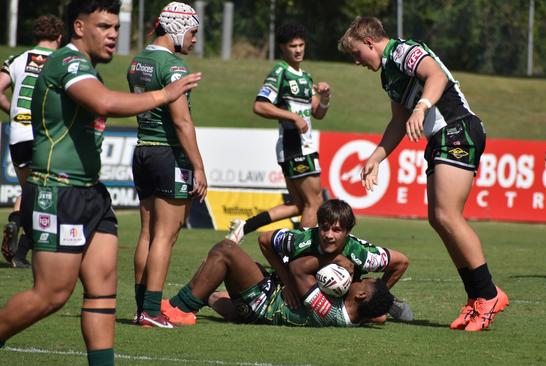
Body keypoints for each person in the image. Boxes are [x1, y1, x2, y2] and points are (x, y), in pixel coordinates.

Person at [0, 1, 201, 365]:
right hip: (56, 189)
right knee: (52, 294)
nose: (113, 35)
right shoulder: (68, 62)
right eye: (104, 27)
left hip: (90, 192)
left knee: (102, 293)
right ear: (78, 27)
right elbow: (104, 103)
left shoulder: (90, 67)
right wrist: (163, 95)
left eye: (116, 28)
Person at [338, 16, 508, 331]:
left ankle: (489, 293)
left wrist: (422, 106)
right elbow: (397, 121)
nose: (356, 61)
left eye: (356, 52)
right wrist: (377, 156)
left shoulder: (402, 51)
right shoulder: (388, 74)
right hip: (441, 137)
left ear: (369, 42)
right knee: (438, 218)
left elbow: (436, 75)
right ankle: (475, 298)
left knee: (448, 215)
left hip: (458, 128)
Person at [128, 1, 207, 329]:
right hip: (168, 154)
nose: (194, 40)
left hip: (142, 150)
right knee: (166, 233)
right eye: (192, 32)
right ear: (176, 28)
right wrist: (199, 166)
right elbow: (182, 123)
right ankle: (151, 310)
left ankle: (140, 308)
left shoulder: (137, 62)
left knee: (147, 233)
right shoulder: (173, 67)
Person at [225, 22, 331, 243]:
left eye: (301, 45)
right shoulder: (280, 72)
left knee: (299, 205)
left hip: (301, 145)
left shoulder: (305, 76)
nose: (298, 50)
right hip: (295, 144)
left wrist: (326, 98)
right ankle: (300, 255)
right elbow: (260, 105)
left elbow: (317, 113)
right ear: (283, 47)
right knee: (315, 202)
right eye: (293, 46)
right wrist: (292, 117)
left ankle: (245, 226)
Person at [161, 237, 395, 327]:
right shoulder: (357, 315)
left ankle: (181, 307)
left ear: (362, 295)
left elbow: (297, 269)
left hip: (264, 302)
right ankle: (207, 294)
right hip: (254, 311)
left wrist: (334, 258)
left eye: (365, 282)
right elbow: (380, 314)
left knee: (225, 250)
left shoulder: (328, 311)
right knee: (218, 282)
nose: (361, 279)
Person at [256, 198, 413, 321]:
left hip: (346, 293)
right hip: (299, 280)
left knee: (379, 318)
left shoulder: (362, 256)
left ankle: (389, 302)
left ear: (347, 231)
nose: (329, 235)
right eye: (324, 228)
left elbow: (402, 262)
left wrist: (376, 296)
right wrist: (289, 283)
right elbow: (263, 240)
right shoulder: (300, 240)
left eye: (337, 230)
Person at [0, 15, 63, 268]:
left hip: (18, 134)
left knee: (29, 191)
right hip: (46, 135)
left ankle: (17, 226)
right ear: (59, 37)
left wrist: (12, 111)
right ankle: (25, 247)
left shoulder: (17, 59)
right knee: (50, 194)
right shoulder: (61, 60)